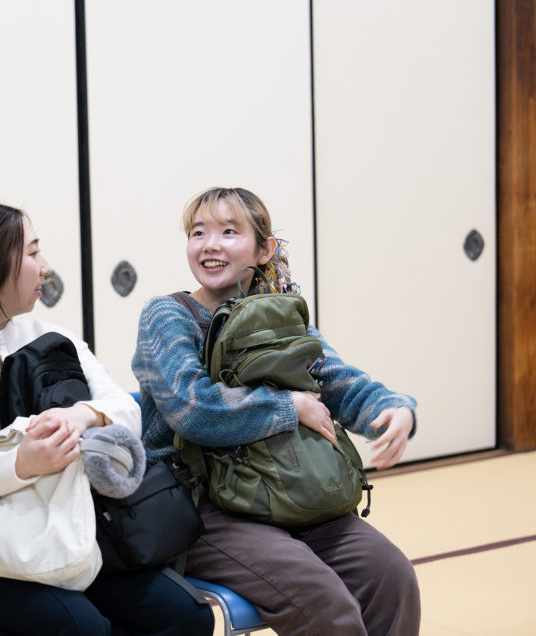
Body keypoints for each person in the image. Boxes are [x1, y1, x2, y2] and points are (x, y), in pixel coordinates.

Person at [132, 187, 421, 636]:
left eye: (229, 232)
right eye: (198, 233)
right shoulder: (167, 316)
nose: (210, 245)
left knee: (391, 577)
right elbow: (193, 408)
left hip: (288, 490)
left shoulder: (282, 316)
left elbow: (336, 380)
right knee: (321, 599)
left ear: (264, 249)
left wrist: (394, 409)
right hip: (203, 507)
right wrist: (289, 406)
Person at [0, 200, 215, 636]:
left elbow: (126, 412)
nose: (45, 266)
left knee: (186, 616)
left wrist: (81, 415)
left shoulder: (51, 337)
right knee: (82, 629)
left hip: (66, 534)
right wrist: (21, 465)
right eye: (33, 252)